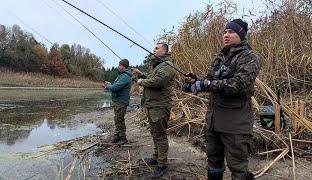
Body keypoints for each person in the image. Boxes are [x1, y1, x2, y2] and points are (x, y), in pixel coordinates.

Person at [184, 19, 261, 180]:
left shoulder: (250, 57)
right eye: (225, 32)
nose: (226, 35)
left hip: (235, 123)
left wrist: (205, 84)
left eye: (231, 32)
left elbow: (239, 84)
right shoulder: (219, 57)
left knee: (238, 166)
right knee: (213, 160)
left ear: (241, 34)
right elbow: (210, 80)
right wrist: (195, 81)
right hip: (213, 121)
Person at [132, 42, 176, 178]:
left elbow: (158, 82)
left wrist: (140, 81)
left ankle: (162, 164)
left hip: (160, 106)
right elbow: (153, 79)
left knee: (160, 135)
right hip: (153, 106)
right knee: (155, 133)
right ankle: (157, 157)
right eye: (154, 48)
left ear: (165, 51)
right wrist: (142, 75)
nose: (154, 50)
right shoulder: (159, 65)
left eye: (157, 48)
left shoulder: (168, 66)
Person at [103, 59, 132, 145]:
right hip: (118, 101)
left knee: (119, 119)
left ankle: (123, 138)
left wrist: (107, 86)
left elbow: (115, 88)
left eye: (120, 65)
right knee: (117, 119)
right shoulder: (122, 75)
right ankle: (117, 136)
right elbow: (115, 86)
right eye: (119, 65)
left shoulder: (125, 76)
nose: (118, 66)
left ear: (124, 66)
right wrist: (110, 84)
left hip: (121, 101)